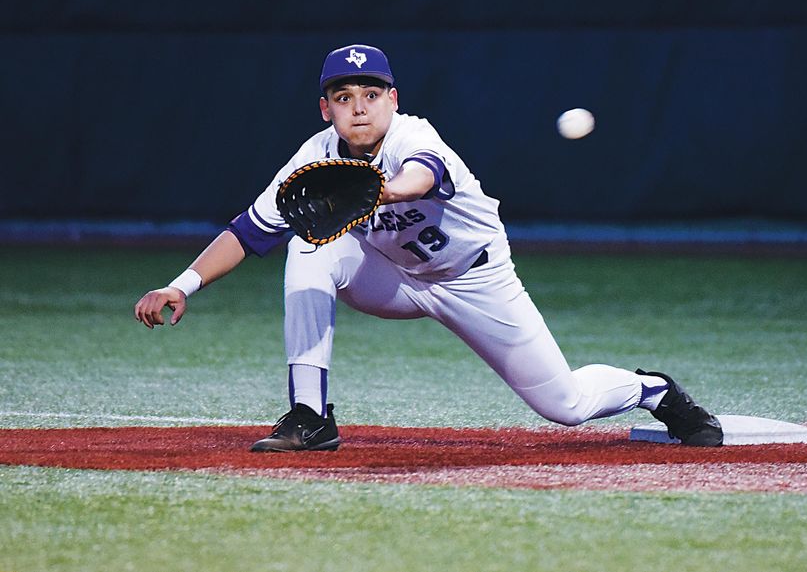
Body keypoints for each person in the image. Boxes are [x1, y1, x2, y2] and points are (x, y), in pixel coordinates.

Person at [134, 44, 723, 450]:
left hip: (474, 279)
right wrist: (179, 285)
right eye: (343, 96)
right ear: (325, 107)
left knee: (564, 405)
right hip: (390, 278)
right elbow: (247, 232)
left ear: (393, 99)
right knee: (310, 244)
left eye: (371, 92)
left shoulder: (414, 135)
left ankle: (653, 389)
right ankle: (310, 417)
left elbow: (420, 177)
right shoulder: (314, 157)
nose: (358, 105)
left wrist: (372, 191)